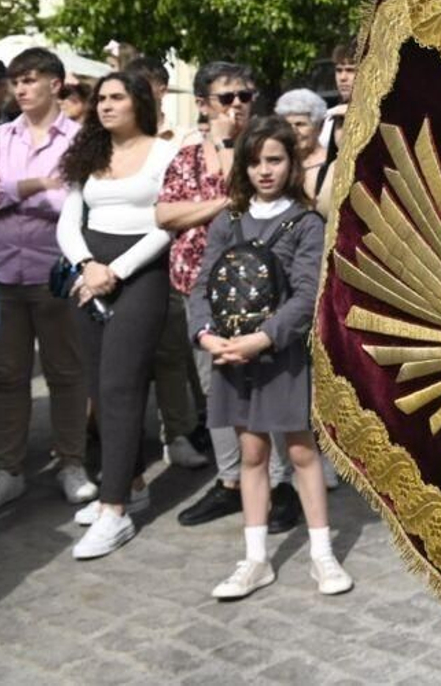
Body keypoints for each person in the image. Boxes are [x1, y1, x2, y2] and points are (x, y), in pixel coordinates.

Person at [187, 117, 351, 599]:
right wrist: (205, 335)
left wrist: (265, 337)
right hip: (231, 355)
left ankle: (322, 554)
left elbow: (307, 294)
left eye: (275, 160)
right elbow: (203, 285)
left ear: (291, 163)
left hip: (278, 354)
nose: (264, 170)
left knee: (302, 451)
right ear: (243, 166)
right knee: (251, 453)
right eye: (255, 161)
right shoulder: (227, 221)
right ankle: (256, 558)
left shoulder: (305, 222)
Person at [158, 62, 295, 530]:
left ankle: (280, 485)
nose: (237, 105)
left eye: (245, 95)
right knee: (218, 394)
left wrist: (227, 161)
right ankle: (231, 481)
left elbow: (257, 197)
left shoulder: (262, 150)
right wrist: (218, 200)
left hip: (264, 294)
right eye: (226, 98)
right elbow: (165, 215)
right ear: (203, 105)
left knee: (270, 392)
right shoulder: (187, 157)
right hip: (201, 293)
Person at [56, 71, 179, 558]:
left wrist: (117, 270)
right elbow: (69, 218)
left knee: (121, 386)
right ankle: (129, 481)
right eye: (100, 98)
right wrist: (86, 267)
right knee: (98, 385)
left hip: (140, 275)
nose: (105, 106)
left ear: (138, 103)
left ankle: (114, 511)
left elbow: (170, 222)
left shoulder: (165, 153)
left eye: (116, 97)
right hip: (88, 275)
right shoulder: (88, 153)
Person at [0, 48, 94, 515]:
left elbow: (79, 204)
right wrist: (35, 186)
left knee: (65, 373)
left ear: (55, 85)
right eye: (15, 81)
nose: (19, 88)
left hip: (56, 273)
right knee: (7, 374)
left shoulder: (82, 139)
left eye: (30, 79)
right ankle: (8, 469)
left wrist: (19, 195)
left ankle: (71, 462)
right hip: (1, 269)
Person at [123, 55, 206, 471]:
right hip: (120, 252)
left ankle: (178, 433)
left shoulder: (182, 138)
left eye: (147, 84)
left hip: (168, 253)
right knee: (126, 360)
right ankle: (125, 444)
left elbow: (187, 202)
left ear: (159, 87)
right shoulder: (115, 140)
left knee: (172, 353)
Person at [275, 89, 330, 201]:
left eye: (300, 124)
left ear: (319, 126)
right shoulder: (280, 163)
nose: (293, 131)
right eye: (287, 125)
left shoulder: (331, 164)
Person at [320, 43, 357, 163]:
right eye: (339, 70)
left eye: (350, 70)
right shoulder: (332, 113)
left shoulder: (380, 113)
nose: (343, 77)